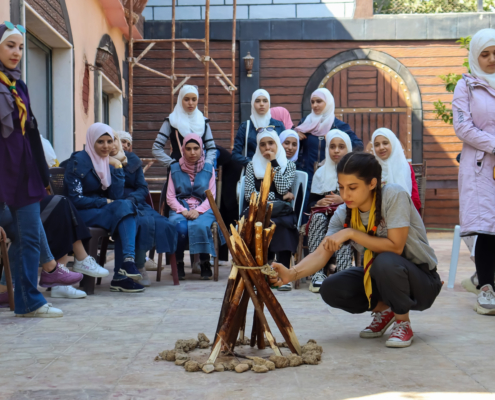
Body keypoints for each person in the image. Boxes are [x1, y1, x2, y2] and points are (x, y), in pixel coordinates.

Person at [271, 152, 442, 348]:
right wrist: (291, 274)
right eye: (341, 187)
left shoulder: (392, 195)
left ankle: (403, 322)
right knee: (330, 288)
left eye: (352, 187)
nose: (345, 195)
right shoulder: (344, 213)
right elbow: (321, 252)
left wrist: (351, 233)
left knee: (384, 260)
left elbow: (396, 246)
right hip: (381, 276)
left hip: (421, 282)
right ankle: (388, 311)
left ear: (372, 184)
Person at [0, 22, 68, 317]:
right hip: (3, 168)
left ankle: (29, 302)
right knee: (19, 234)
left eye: (20, 47)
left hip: (24, 171)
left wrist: (43, 175)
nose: (16, 53)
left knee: (29, 236)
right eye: (9, 46)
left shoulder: (19, 85)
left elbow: (31, 133)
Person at [64, 123, 145, 293]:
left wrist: (117, 167)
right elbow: (75, 199)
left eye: (110, 141)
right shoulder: (78, 161)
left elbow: (116, 196)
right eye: (101, 142)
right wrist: (103, 202)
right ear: (91, 141)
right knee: (126, 211)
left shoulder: (105, 162)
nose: (106, 146)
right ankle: (123, 273)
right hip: (80, 213)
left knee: (126, 211)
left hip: (100, 210)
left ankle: (126, 265)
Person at [453, 28, 495, 315]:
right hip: (482, 166)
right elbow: (463, 127)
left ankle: (484, 278)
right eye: (485, 53)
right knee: (487, 227)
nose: (492, 58)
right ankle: (486, 289)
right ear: (475, 56)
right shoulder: (465, 86)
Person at [110, 132, 177, 286]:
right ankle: (139, 265)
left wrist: (132, 199)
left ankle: (140, 262)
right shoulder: (100, 161)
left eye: (114, 141)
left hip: (137, 201)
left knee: (162, 223)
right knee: (137, 222)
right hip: (115, 204)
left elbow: (142, 187)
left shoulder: (133, 160)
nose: (112, 144)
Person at [243, 129, 298, 291]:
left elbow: (282, 187)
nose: (267, 147)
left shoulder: (289, 165)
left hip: (281, 212)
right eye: (263, 144)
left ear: (277, 144)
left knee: (282, 226)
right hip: (257, 209)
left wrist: (274, 162)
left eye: (271, 143)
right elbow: (249, 195)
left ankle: (282, 275)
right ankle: (258, 275)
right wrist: (276, 195)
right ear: (258, 147)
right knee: (256, 224)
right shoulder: (251, 165)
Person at [295, 88, 363, 212]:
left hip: (328, 174)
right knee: (306, 207)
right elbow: (289, 146)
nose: (315, 105)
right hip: (307, 173)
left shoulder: (338, 126)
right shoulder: (304, 124)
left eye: (319, 101)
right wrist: (295, 136)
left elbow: (358, 145)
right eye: (313, 102)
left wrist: (338, 146)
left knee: (326, 206)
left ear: (328, 103)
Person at [166, 134, 223, 280]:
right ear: (183, 150)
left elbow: (211, 198)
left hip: (204, 209)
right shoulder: (174, 168)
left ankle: (204, 261)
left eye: (196, 148)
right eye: (189, 149)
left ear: (201, 149)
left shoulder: (208, 169)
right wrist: (184, 211)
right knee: (180, 228)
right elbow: (170, 197)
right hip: (180, 208)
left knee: (200, 226)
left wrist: (197, 211)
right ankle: (178, 262)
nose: (192, 152)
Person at [306, 129, 354, 293]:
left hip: (348, 216)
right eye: (332, 147)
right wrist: (318, 202)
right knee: (318, 218)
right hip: (324, 217)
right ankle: (316, 274)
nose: (336, 151)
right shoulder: (321, 171)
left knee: (342, 224)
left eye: (341, 147)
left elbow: (364, 201)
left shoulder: (356, 172)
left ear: (348, 148)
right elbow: (310, 203)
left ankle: (344, 274)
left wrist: (344, 200)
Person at [152, 85, 216, 168]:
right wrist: (172, 164)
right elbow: (156, 149)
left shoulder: (203, 122)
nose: (190, 103)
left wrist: (207, 164)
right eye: (186, 99)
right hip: (178, 173)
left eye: (194, 99)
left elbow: (211, 148)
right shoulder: (171, 121)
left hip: (200, 171)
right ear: (180, 99)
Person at [371, 128, 421, 213]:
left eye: (385, 143)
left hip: (404, 213)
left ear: (393, 143)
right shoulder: (371, 168)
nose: (381, 147)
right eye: (376, 145)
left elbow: (414, 198)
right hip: (377, 214)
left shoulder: (405, 166)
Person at [232, 89, 285, 167]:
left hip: (275, 170)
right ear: (252, 103)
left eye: (265, 101)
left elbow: (284, 150)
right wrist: (252, 162)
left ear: (269, 103)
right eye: (257, 101)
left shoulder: (279, 125)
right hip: (253, 173)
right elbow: (235, 155)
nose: (261, 104)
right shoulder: (245, 127)